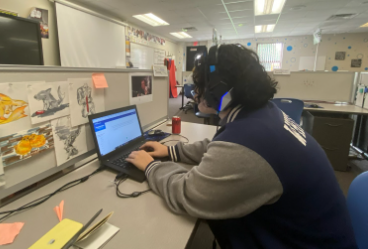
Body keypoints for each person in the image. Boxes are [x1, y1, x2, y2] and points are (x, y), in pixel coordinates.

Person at [126, 44, 357, 249]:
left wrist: (151, 167)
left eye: (200, 85)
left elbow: (189, 194)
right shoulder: (263, 114)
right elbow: (221, 145)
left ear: (219, 90)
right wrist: (171, 151)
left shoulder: (250, 141)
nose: (195, 93)